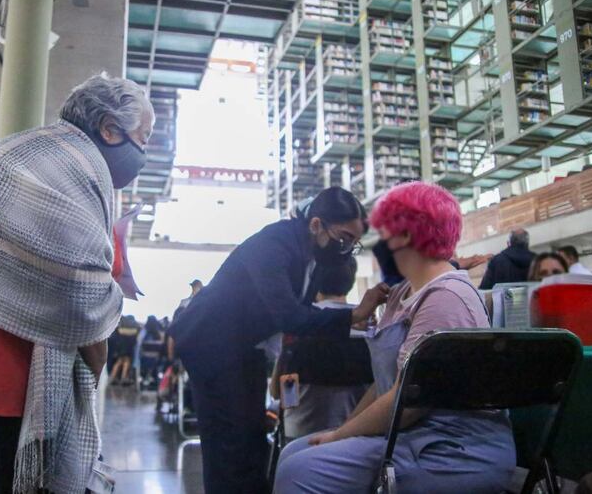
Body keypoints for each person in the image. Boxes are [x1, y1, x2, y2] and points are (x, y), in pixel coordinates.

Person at [0, 73, 154, 494]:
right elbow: (81, 293)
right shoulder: (75, 166)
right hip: (15, 360)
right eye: (143, 138)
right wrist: (98, 356)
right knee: (22, 479)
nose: (144, 153)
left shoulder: (28, 149)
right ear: (110, 129)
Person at [274, 181, 515, 494]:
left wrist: (339, 436)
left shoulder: (446, 297)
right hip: (413, 433)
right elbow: (384, 384)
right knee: (294, 452)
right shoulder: (401, 293)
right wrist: (343, 431)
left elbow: (412, 399)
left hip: (452, 448)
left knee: (299, 469)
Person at [169, 186, 387, 494]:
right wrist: (351, 316)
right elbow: (290, 316)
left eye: (354, 242)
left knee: (251, 436)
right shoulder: (274, 243)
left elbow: (300, 311)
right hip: (212, 344)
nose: (347, 248)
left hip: (244, 346)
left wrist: (351, 320)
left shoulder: (312, 255)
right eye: (344, 238)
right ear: (316, 225)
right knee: (229, 443)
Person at [271, 257, 373, 441]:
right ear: (350, 281)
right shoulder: (370, 330)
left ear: (313, 279)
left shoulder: (298, 328)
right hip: (355, 438)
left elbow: (279, 393)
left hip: (300, 437)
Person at [108, 315, 141, 385]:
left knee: (119, 362)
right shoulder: (134, 328)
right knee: (126, 362)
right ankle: (124, 377)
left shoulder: (121, 327)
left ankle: (112, 377)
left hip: (120, 347)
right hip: (128, 348)